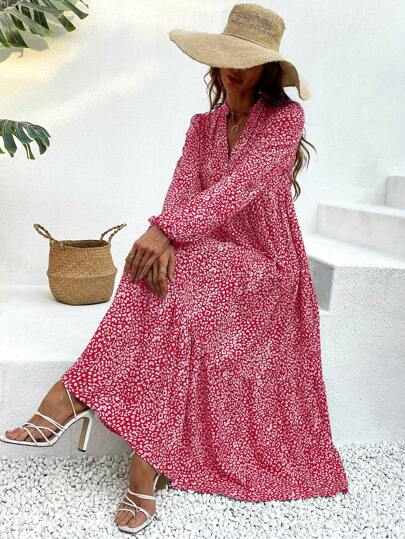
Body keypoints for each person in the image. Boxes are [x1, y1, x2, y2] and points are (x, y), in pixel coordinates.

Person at [0, 3, 349, 535]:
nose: (234, 69)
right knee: (150, 269)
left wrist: (165, 231)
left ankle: (77, 402)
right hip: (207, 249)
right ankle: (143, 455)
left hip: (267, 262)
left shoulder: (285, 119)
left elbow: (239, 189)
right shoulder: (201, 126)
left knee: (178, 272)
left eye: (247, 60)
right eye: (227, 57)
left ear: (267, 68)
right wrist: (160, 239)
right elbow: (183, 188)